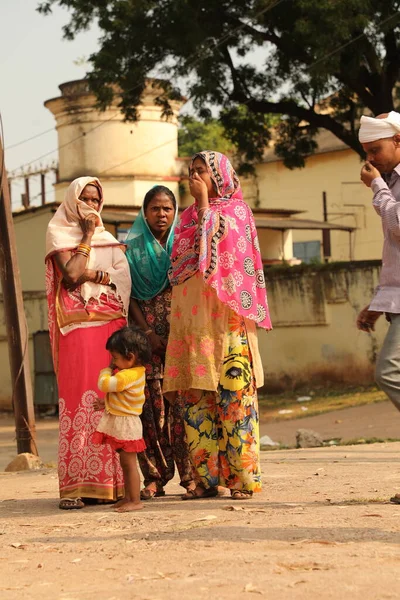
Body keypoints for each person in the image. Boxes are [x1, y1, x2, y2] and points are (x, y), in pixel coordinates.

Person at [163, 150, 272, 500]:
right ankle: (205, 480)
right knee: (196, 404)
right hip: (193, 324)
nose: (195, 177)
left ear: (219, 176)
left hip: (228, 324)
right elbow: (178, 265)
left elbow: (221, 256)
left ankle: (242, 480)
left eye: (202, 171)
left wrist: (206, 205)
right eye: (191, 171)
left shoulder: (237, 212)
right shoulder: (187, 218)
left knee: (234, 402)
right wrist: (199, 209)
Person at [45, 176, 131, 509]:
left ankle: (111, 484)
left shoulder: (110, 239)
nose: (91, 206)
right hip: (76, 330)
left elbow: (122, 279)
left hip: (111, 328)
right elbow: (71, 274)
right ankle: (75, 486)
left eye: (96, 200)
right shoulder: (58, 232)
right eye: (86, 198)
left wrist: (94, 275)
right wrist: (88, 235)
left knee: (109, 399)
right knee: (81, 399)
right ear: (72, 200)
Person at [126, 185, 194, 499]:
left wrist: (178, 332)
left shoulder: (183, 243)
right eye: (155, 208)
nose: (162, 214)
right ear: (145, 211)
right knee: (149, 412)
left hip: (181, 337)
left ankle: (190, 476)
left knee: (182, 410)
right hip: (146, 341)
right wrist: (149, 334)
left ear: (174, 210)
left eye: (167, 208)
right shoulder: (132, 248)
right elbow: (127, 296)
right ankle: (154, 477)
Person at [357, 111, 400, 505]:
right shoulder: (391, 181)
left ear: (398, 142)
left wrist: (377, 187)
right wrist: (375, 303)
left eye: (376, 150)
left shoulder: (387, 184)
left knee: (388, 372)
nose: (372, 159)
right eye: (367, 152)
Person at [93, 326, 152, 512]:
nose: (114, 363)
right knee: (124, 463)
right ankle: (128, 496)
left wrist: (106, 370)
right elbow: (124, 397)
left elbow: (106, 384)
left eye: (115, 358)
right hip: (123, 421)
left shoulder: (128, 374)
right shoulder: (131, 373)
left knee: (129, 463)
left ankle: (135, 500)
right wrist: (106, 404)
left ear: (131, 357)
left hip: (127, 425)